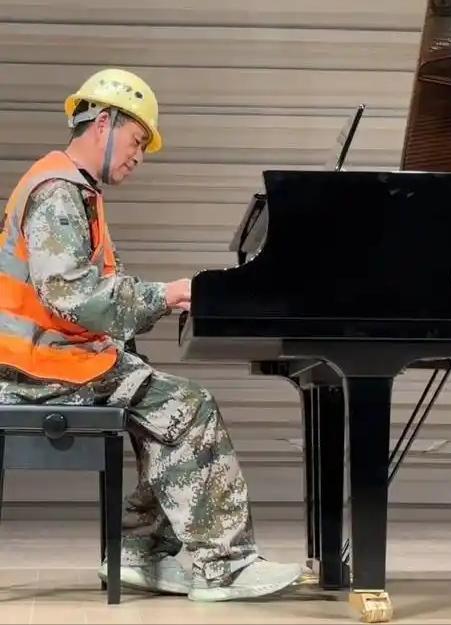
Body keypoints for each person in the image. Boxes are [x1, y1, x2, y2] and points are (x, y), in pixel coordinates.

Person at [0, 68, 302, 601]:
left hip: (54, 359)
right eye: (137, 140)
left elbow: (91, 292)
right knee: (189, 407)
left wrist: (154, 304)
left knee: (161, 401)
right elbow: (72, 294)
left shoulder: (74, 190)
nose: (139, 156)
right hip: (38, 369)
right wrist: (166, 295)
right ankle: (223, 568)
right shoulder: (57, 192)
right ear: (104, 123)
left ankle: (141, 552)